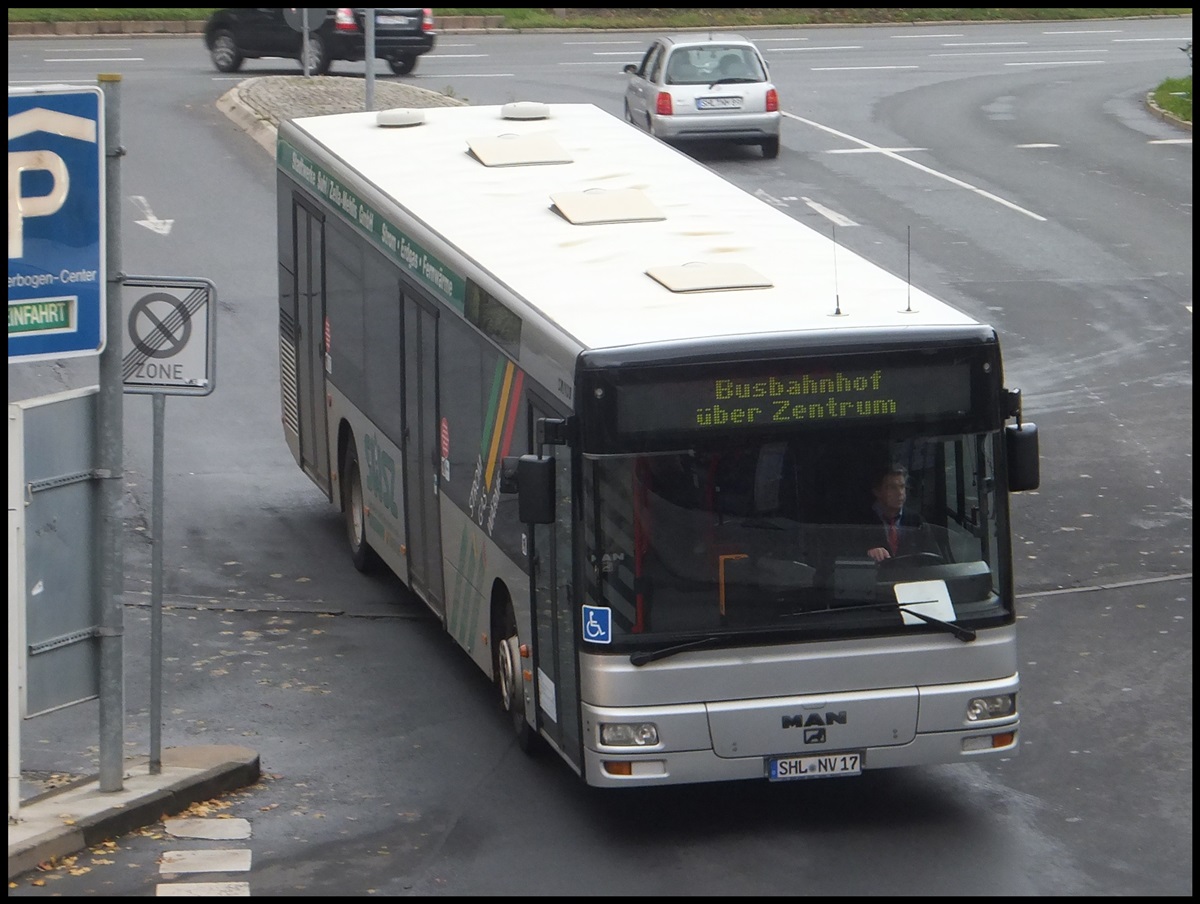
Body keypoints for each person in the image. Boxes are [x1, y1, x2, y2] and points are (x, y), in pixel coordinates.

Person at [863, 464, 935, 562]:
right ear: (877, 491)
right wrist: (866, 553)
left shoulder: (917, 520)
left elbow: (933, 558)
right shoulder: (861, 520)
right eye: (892, 487)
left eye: (902, 487)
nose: (900, 493)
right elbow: (847, 554)